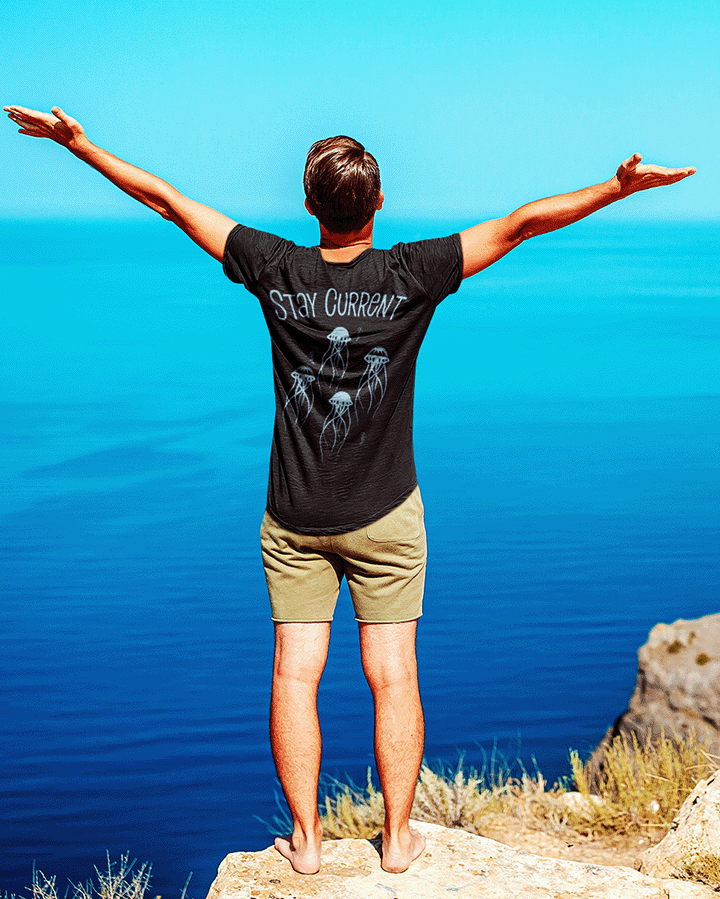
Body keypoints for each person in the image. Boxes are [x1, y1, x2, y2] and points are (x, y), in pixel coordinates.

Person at [4, 104, 695, 875]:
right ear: (379, 203)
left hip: (294, 516)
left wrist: (80, 145)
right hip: (386, 514)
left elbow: (168, 202)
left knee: (294, 673)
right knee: (392, 673)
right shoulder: (412, 274)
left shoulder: (275, 266)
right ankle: (397, 839)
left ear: (309, 204)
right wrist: (617, 188)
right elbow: (522, 224)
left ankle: (305, 841)